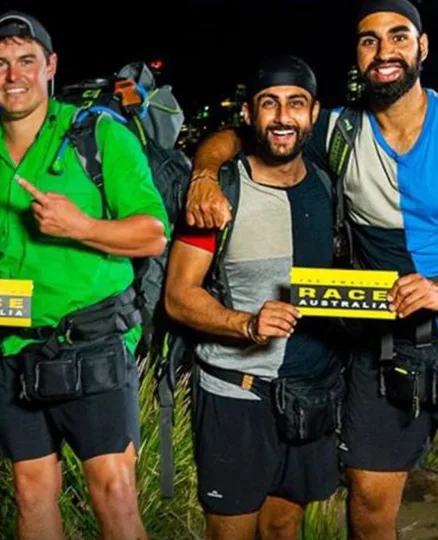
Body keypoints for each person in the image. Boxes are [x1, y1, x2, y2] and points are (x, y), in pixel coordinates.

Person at [182, 1, 437, 538]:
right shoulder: (335, 132)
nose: (385, 50)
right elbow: (243, 133)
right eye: (370, 41)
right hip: (388, 347)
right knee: (367, 504)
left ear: (423, 46)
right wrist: (205, 172)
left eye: (398, 37)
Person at [0, 11, 169, 540]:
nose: (14, 75)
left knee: (115, 493)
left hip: (91, 342)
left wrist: (80, 226)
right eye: (0, 64)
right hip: (10, 349)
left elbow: (152, 234)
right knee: (30, 494)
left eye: (27, 61)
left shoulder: (96, 134)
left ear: (50, 66)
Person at [164, 56, 343, 540]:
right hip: (235, 394)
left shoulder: (329, 183)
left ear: (314, 113)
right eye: (270, 103)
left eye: (296, 104)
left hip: (311, 390)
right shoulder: (219, 192)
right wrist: (245, 324)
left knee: (285, 527)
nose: (283, 116)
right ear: (249, 114)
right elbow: (179, 297)